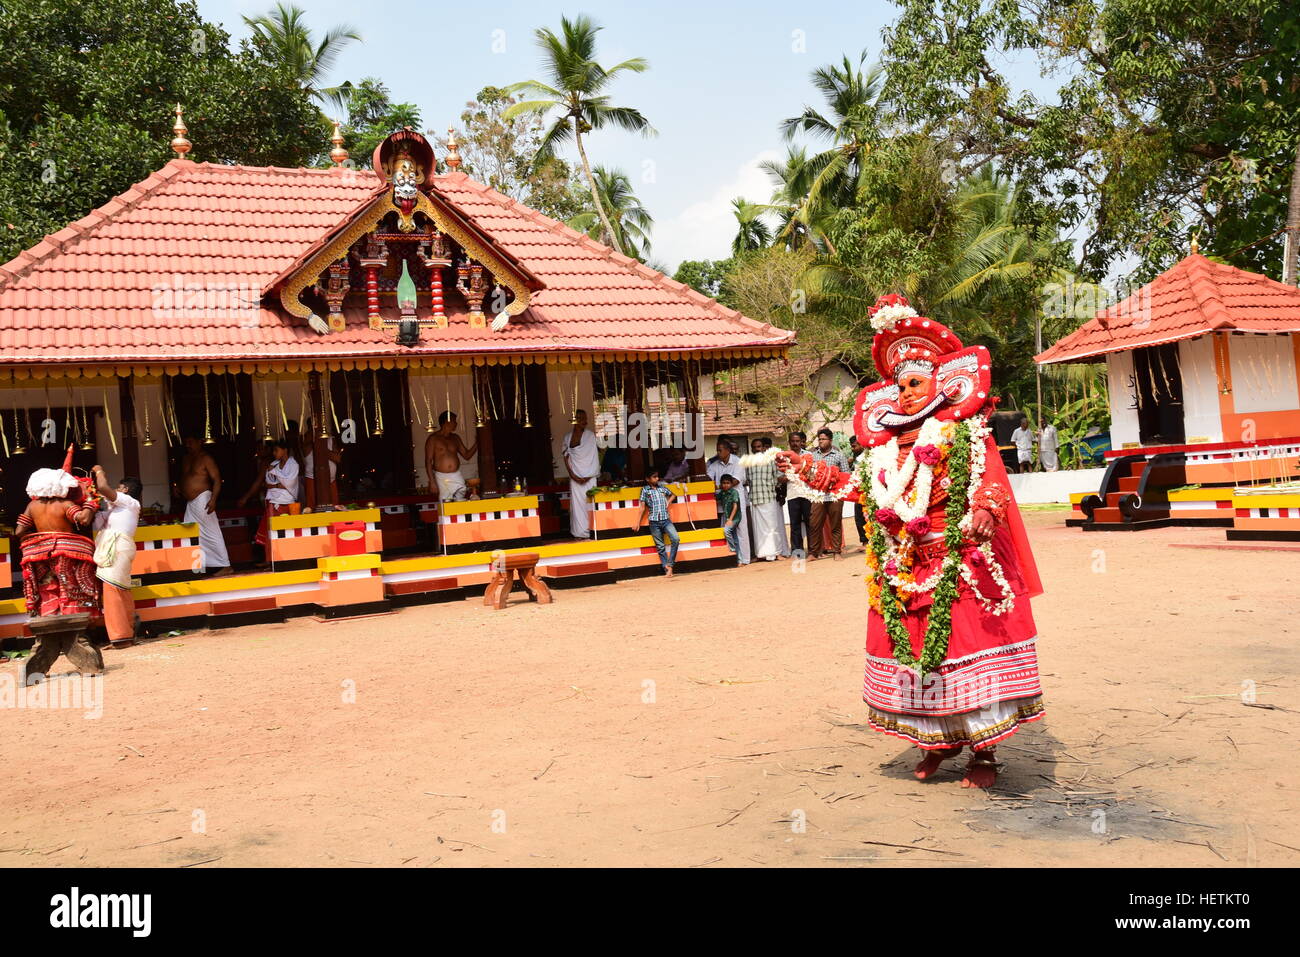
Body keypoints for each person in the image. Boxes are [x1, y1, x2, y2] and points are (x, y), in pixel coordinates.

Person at [776, 293, 1045, 789]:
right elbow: (858, 488)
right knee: (918, 658)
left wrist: (986, 510)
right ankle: (936, 743)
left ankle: (982, 753)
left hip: (956, 561)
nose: (905, 394)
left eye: (915, 383)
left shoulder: (964, 432)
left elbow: (991, 481)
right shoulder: (883, 448)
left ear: (940, 383)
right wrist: (808, 467)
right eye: (899, 386)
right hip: (903, 567)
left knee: (963, 650)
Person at [14, 454, 103, 676]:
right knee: (71, 592)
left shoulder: (32, 506)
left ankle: (48, 641)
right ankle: (75, 639)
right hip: (68, 554)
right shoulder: (65, 504)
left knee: (47, 593)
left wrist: (40, 536)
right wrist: (92, 503)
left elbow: (19, 532)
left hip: (39, 556)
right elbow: (83, 520)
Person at [91, 467, 142, 648]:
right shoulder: (114, 511)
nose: (115, 491)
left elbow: (104, 488)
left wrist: (99, 472)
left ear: (125, 490)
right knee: (120, 590)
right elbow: (94, 520)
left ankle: (120, 637)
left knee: (112, 591)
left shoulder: (129, 502)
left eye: (118, 488)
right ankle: (127, 632)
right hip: (116, 548)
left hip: (118, 548)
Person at [176, 435, 230, 575]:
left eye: (191, 441)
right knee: (191, 532)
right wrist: (177, 487)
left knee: (212, 533)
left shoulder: (206, 458)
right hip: (190, 502)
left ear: (200, 441)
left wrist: (213, 499)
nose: (188, 444)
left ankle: (226, 565)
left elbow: (217, 479)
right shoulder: (186, 458)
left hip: (203, 499)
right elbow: (185, 477)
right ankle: (196, 566)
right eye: (186, 442)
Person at [241, 437, 300, 559]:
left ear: (285, 450)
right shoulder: (273, 464)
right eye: (273, 451)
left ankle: (286, 558)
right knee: (271, 533)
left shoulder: (293, 464)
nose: (274, 453)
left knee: (286, 531)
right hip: (273, 501)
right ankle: (271, 560)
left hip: (287, 502)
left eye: (276, 450)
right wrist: (279, 483)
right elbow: (267, 483)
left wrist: (277, 479)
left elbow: (290, 483)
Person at [807, 428, 849, 560]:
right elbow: (808, 474)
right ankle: (814, 553)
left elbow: (846, 474)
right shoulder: (813, 456)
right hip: (818, 495)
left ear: (830, 440)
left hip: (834, 494)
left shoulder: (838, 455)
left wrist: (835, 482)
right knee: (814, 524)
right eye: (819, 439)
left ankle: (837, 551)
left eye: (823, 439)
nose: (821, 441)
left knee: (835, 523)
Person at [706, 439, 750, 564]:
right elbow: (708, 480)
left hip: (737, 501)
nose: (718, 453)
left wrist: (719, 486)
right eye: (717, 450)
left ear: (728, 450)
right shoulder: (714, 465)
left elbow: (735, 481)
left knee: (741, 531)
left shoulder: (738, 462)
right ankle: (730, 558)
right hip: (723, 503)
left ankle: (745, 559)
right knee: (725, 530)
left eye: (720, 450)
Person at [745, 437, 788, 561]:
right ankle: (761, 554)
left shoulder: (772, 461)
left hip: (769, 497)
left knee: (773, 528)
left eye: (759, 447)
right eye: (754, 447)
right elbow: (747, 480)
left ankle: (777, 553)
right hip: (755, 499)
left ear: (764, 448)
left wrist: (792, 475)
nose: (756, 449)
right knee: (758, 530)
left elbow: (780, 477)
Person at [562, 409, 600, 539]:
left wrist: (588, 475)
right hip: (575, 478)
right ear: (575, 420)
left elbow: (594, 456)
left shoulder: (590, 435)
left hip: (589, 478)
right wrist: (573, 475)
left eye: (585, 418)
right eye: (581, 418)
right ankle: (579, 533)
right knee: (577, 506)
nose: (585, 421)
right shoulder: (567, 437)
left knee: (590, 504)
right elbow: (566, 457)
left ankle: (592, 530)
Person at [634, 468, 679, 577]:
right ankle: (667, 569)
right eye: (654, 477)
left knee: (676, 539)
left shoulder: (662, 488)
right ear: (647, 479)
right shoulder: (645, 490)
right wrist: (637, 523)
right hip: (654, 521)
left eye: (657, 476)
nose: (657, 479)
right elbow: (642, 508)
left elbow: (673, 495)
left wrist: (668, 502)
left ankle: (670, 564)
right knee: (660, 546)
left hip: (666, 519)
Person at [425, 411, 477, 502]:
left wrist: (478, 443)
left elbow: (467, 455)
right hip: (441, 477)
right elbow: (428, 461)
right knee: (446, 503)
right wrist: (432, 482)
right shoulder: (433, 439)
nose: (456, 423)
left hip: (456, 475)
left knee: (461, 499)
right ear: (447, 421)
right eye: (454, 421)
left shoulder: (455, 438)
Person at [781, 430, 813, 556]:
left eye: (797, 441)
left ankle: (813, 550)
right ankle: (797, 551)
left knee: (810, 523)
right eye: (793, 441)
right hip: (792, 494)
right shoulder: (784, 457)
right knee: (795, 524)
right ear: (789, 443)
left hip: (807, 493)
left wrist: (803, 473)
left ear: (802, 442)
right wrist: (789, 475)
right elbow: (779, 477)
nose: (795, 444)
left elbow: (814, 473)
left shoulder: (809, 455)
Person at [303, 418, 343, 508]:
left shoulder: (330, 438)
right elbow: (307, 446)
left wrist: (322, 449)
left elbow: (337, 458)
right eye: (314, 426)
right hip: (312, 479)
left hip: (331, 479)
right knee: (312, 508)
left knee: (334, 507)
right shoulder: (307, 438)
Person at [716, 474, 742, 562]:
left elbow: (735, 507)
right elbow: (715, 498)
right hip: (728, 518)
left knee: (726, 531)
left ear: (731, 484)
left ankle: (732, 549)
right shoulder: (722, 493)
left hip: (735, 518)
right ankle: (740, 560)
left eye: (728, 483)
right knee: (735, 538)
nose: (726, 485)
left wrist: (730, 520)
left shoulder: (734, 492)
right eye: (724, 483)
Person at [849, 434, 868, 550]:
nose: (852, 449)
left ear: (861, 444)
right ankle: (864, 542)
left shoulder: (867, 457)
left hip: (866, 492)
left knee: (867, 516)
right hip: (857, 493)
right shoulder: (855, 458)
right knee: (859, 517)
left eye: (854, 446)